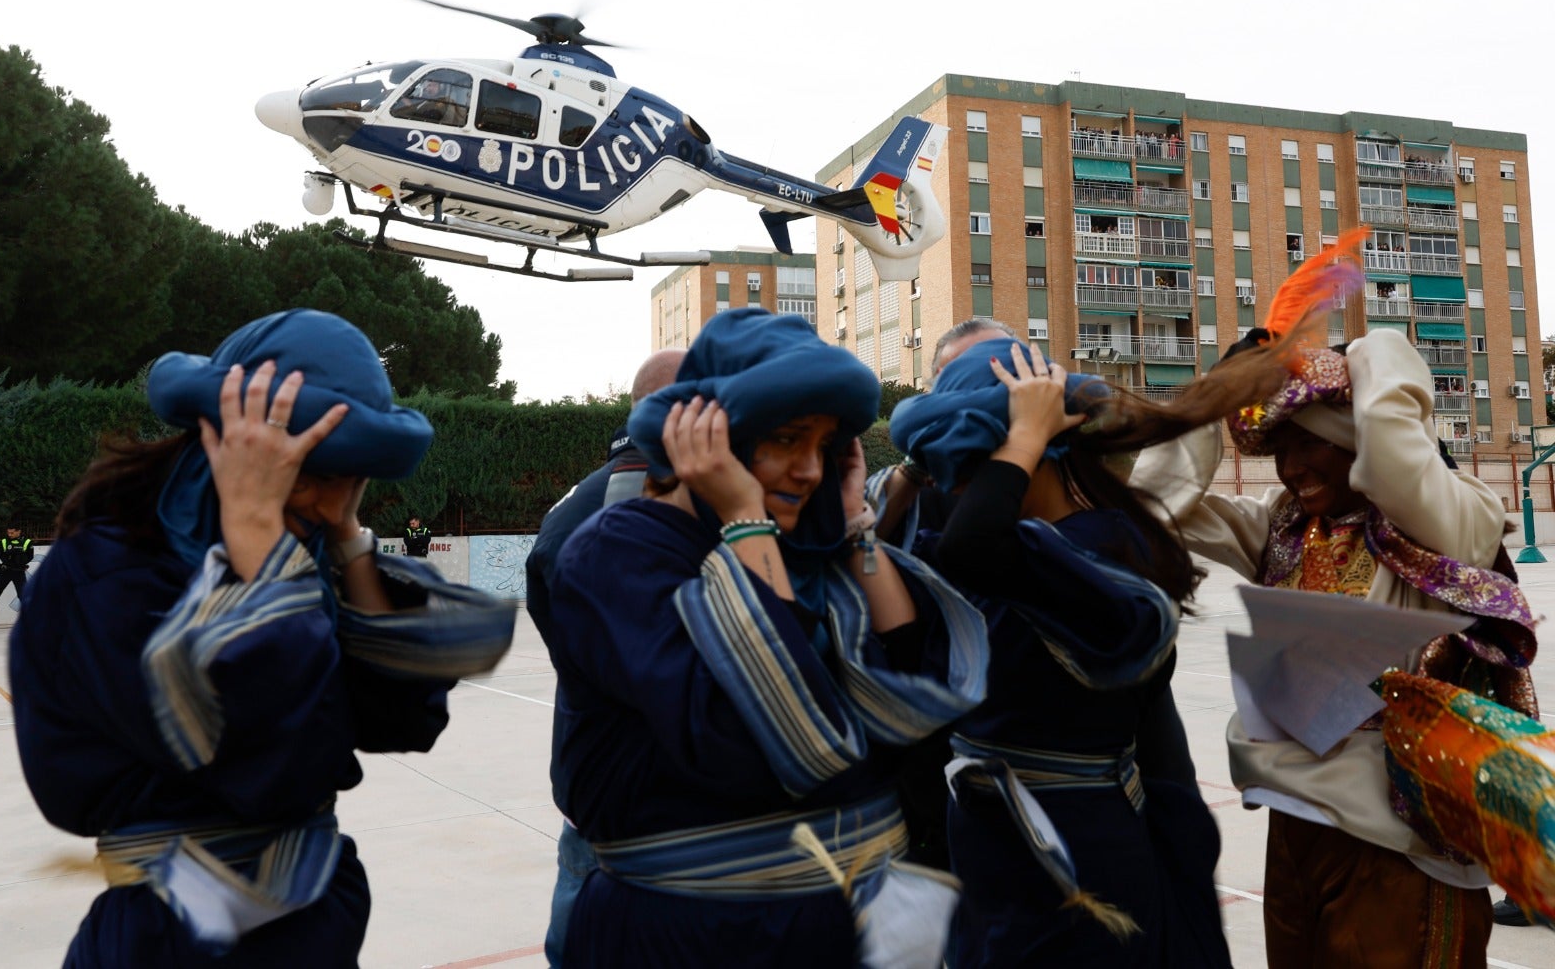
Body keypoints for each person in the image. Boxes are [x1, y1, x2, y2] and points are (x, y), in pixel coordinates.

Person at [8, 309, 517, 967]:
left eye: (349, 476)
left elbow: (403, 717)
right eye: (310, 469)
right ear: (228, 440)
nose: (326, 498)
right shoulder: (109, 572)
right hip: (174, 935)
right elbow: (276, 766)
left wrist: (348, 543)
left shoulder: (293, 551)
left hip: (305, 924)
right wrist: (256, 537)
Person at [545, 308, 990, 967]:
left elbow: (912, 688)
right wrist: (745, 520)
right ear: (714, 438)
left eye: (825, 446)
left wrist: (853, 529)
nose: (811, 470)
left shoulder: (802, 552)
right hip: (694, 938)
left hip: (830, 929)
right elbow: (752, 731)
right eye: (786, 440)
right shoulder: (618, 556)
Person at [1136, 327, 1539, 966]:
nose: (1292, 469)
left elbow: (1392, 463)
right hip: (1293, 825)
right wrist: (1212, 398)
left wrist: (1358, 352)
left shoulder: (1447, 518)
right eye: (1279, 450)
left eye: (1311, 442)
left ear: (1352, 431)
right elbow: (1150, 506)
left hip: (1399, 842)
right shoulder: (1283, 526)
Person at [890, 337, 1263, 967]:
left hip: (1073, 852)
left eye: (972, 472)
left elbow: (970, 548)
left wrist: (1025, 432)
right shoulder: (1021, 551)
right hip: (995, 849)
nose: (959, 495)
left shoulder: (1098, 551)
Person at [523, 346, 686, 969]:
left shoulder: (573, 504)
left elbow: (558, 629)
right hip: (667, 801)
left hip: (589, 783)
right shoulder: (692, 499)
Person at [0, 524, 33, 628]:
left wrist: (19, 561)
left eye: (12, 532)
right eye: (8, 532)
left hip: (19, 572)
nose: (10, 534)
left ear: (18, 531)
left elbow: (30, 556)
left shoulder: (27, 542)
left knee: (23, 596)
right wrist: (11, 559)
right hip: (5, 572)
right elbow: (1, 555)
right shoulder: (4, 541)